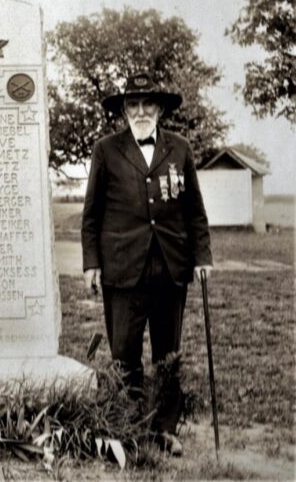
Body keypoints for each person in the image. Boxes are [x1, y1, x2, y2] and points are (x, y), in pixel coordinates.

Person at [81, 73, 212, 456]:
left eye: (147, 104)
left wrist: (203, 257)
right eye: (132, 105)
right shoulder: (106, 150)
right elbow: (91, 214)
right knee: (124, 351)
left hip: (172, 267)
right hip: (122, 269)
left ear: (159, 109)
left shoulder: (181, 148)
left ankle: (165, 429)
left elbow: (195, 212)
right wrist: (91, 263)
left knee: (167, 354)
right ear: (124, 111)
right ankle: (126, 424)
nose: (140, 111)